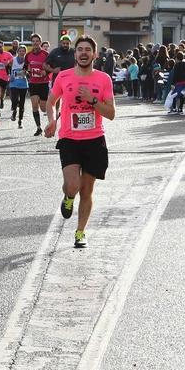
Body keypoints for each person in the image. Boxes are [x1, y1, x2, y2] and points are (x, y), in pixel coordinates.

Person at [43, 35, 115, 248]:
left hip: (94, 140)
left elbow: (111, 113)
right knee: (73, 185)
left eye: (87, 50)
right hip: (69, 139)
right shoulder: (64, 77)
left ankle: (80, 232)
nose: (83, 53)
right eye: (80, 49)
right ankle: (68, 197)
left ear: (94, 54)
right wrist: (52, 121)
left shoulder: (103, 79)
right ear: (75, 54)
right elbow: (51, 102)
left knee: (87, 190)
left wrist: (92, 101)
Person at [26, 33, 51, 136]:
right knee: (34, 105)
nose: (35, 43)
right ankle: (39, 128)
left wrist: (47, 72)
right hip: (33, 83)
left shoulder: (46, 54)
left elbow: (51, 66)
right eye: (33, 41)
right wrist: (27, 72)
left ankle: (54, 114)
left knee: (43, 108)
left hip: (43, 83)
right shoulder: (28, 55)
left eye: (37, 41)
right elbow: (25, 67)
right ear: (31, 43)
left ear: (40, 42)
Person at [9, 45, 29, 128]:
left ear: (25, 52)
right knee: (14, 100)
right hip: (14, 83)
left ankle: (20, 121)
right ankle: (14, 111)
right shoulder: (13, 60)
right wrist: (9, 75)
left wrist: (27, 73)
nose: (22, 52)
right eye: (20, 51)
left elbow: (29, 71)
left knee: (22, 104)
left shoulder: (27, 61)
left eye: (23, 51)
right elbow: (7, 67)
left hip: (23, 84)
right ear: (17, 52)